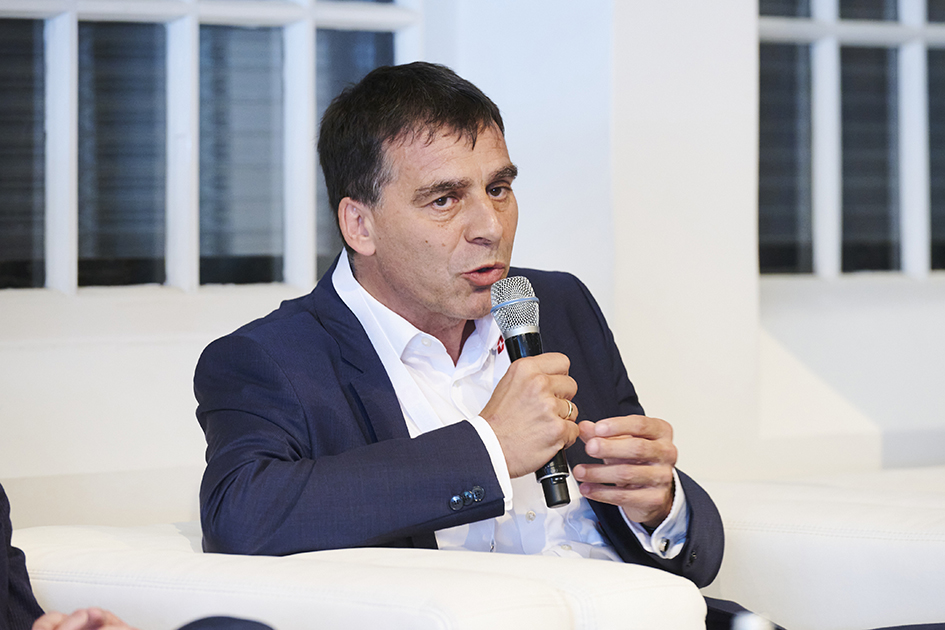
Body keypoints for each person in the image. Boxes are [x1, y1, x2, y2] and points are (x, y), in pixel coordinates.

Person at [194, 61, 739, 627]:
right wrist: (491, 448)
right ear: (360, 225)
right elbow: (242, 515)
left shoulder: (557, 303)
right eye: (444, 200)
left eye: (498, 189)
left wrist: (659, 504)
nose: (490, 227)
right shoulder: (272, 358)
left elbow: (685, 546)